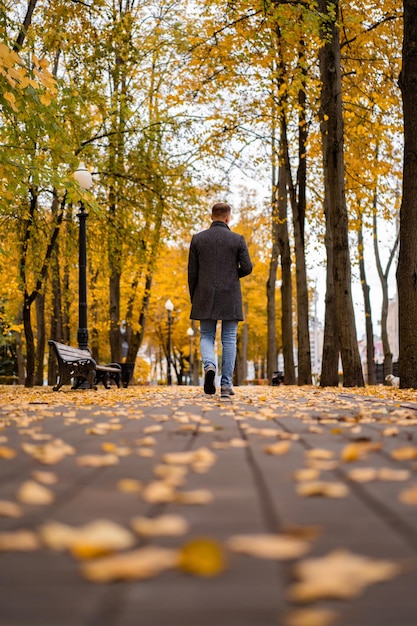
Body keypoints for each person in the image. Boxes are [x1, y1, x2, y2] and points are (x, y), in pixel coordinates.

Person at [187, 202, 253, 399]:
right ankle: (225, 385)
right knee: (229, 338)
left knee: (207, 335)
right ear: (227, 218)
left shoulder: (198, 240)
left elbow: (192, 273)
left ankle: (209, 365)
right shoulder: (237, 239)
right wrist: (233, 275)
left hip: (204, 294)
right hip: (230, 294)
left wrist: (195, 297)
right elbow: (248, 267)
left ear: (211, 217)